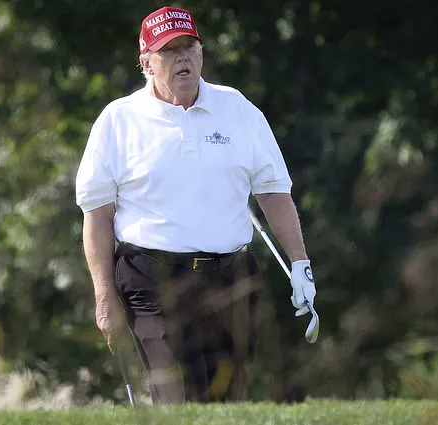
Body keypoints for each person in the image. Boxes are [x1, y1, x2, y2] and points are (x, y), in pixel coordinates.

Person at [75, 5, 316, 404]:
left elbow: (273, 191)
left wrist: (300, 263)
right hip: (151, 279)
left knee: (225, 400)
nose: (182, 58)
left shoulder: (236, 109)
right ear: (146, 63)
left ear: (202, 54)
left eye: (190, 47)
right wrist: (104, 297)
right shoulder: (118, 121)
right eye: (169, 51)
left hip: (231, 277)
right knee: (177, 395)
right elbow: (97, 213)